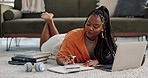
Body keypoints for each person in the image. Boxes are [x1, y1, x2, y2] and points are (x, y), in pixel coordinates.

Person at [40, 6, 117, 67]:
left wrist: (97, 61)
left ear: (102, 28)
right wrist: (63, 61)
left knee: (59, 37)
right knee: (43, 47)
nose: (90, 28)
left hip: (67, 39)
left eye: (95, 26)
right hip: (59, 43)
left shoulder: (104, 39)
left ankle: (50, 21)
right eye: (88, 24)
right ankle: (49, 21)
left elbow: (113, 55)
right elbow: (60, 57)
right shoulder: (72, 38)